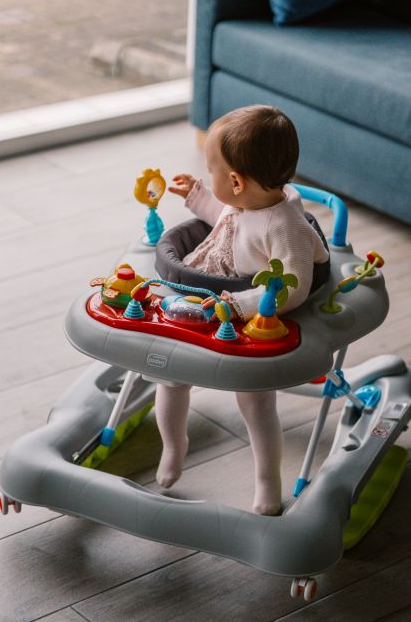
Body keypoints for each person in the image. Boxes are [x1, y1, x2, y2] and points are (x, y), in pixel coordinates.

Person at [155, 105, 329, 515]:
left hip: (248, 313)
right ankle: (174, 446)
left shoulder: (286, 226)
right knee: (171, 376)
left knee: (255, 399)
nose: (208, 173)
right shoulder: (248, 200)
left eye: (211, 170)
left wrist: (238, 304)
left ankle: (267, 480)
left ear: (235, 181)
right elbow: (226, 221)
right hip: (205, 298)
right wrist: (197, 194)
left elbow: (293, 287)